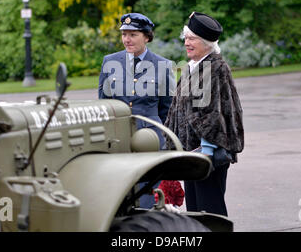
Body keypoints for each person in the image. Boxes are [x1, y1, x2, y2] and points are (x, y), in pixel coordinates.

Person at [164, 11, 244, 216]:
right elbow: (178, 109)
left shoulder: (215, 67)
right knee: (195, 212)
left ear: (207, 43)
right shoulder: (193, 67)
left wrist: (206, 154)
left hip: (207, 156)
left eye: (192, 39)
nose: (187, 43)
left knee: (210, 212)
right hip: (193, 156)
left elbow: (213, 114)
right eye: (186, 38)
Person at [98, 12, 175, 208]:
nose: (126, 39)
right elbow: (104, 105)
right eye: (124, 34)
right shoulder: (110, 62)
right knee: (119, 195)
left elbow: (168, 110)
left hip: (150, 140)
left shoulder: (163, 65)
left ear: (147, 36)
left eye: (133, 34)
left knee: (148, 197)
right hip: (119, 140)